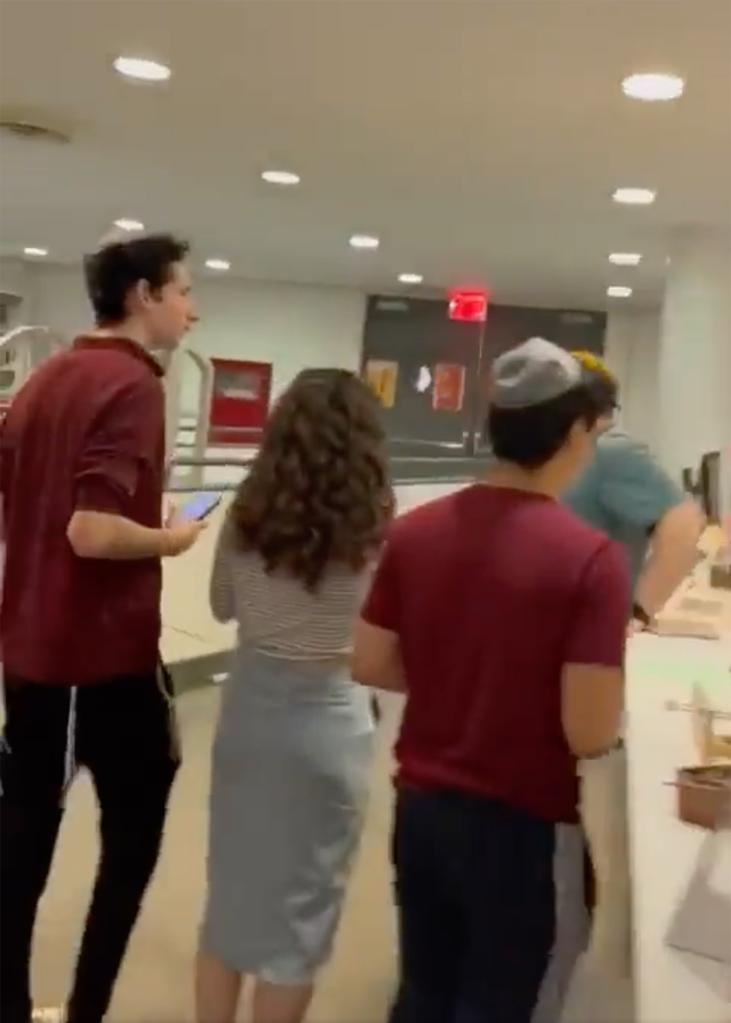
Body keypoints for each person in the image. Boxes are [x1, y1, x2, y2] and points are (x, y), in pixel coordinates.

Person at [352, 338, 630, 1023]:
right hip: (523, 828)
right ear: (572, 431)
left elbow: (367, 659)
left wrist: (461, 674)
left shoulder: (413, 533)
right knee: (504, 1002)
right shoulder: (589, 559)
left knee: (424, 990)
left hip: (421, 809)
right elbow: (587, 729)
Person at [0, 233, 204, 1023]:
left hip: (30, 648)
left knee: (21, 838)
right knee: (131, 834)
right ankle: (85, 1008)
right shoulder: (133, 386)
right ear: (145, 295)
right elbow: (90, 530)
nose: (194, 307)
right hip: (94, 658)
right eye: (183, 291)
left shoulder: (46, 377)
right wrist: (170, 538)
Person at [196, 369, 393, 1023]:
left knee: (230, 891)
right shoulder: (376, 526)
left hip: (250, 712)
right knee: (304, 910)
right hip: (331, 721)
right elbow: (384, 640)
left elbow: (222, 606)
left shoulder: (248, 512)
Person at [564, 350, 704, 976]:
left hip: (578, 657)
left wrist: (641, 612)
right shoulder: (558, 459)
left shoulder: (609, 453)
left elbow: (682, 523)